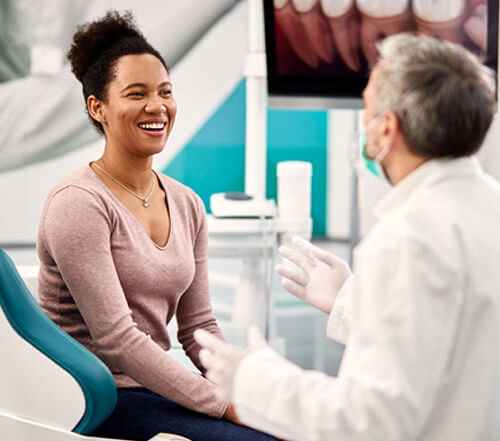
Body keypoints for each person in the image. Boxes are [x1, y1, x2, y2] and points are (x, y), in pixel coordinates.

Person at [195, 33, 500, 441]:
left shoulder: (406, 238)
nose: (363, 124)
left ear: (387, 129)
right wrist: (348, 302)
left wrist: (253, 379)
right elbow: (455, 341)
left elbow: (367, 422)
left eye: (367, 109)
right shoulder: (487, 207)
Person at [36, 10, 276, 441]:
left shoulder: (186, 203)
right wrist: (225, 406)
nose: (157, 106)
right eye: (136, 93)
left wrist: (246, 388)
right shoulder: (78, 204)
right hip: (91, 399)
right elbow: (117, 340)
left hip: (150, 390)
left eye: (165, 91)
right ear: (98, 108)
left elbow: (199, 325)